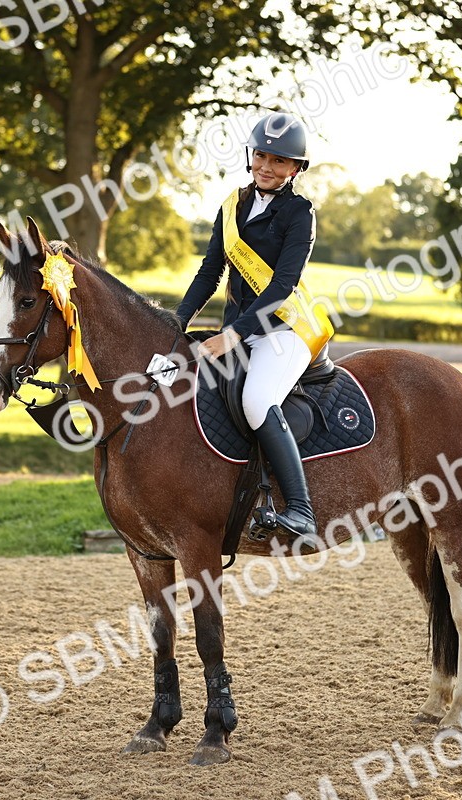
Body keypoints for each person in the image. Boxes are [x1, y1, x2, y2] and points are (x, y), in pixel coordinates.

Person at [176, 112, 333, 552]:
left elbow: (283, 286)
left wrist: (235, 334)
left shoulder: (299, 213)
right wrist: (177, 321)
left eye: (280, 161)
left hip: (284, 329)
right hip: (240, 329)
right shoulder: (232, 206)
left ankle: (300, 508)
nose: (267, 166)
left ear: (296, 168)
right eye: (261, 155)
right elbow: (210, 271)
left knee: (257, 399)